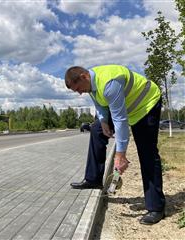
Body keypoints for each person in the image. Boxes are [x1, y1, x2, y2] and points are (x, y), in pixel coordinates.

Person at [65, 64, 165, 225]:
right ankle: (93, 179)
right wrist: (103, 122)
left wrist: (120, 155)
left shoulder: (110, 82)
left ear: (84, 77)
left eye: (78, 88)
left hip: (146, 105)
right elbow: (100, 105)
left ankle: (156, 207)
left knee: (147, 153)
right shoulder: (91, 85)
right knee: (96, 129)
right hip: (127, 108)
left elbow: (120, 120)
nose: (79, 93)